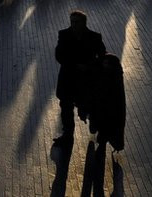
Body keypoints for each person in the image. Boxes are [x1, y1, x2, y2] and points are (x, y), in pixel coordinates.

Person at [54, 10, 106, 144]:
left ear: (84, 23)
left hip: (84, 81)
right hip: (69, 80)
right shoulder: (64, 35)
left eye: (76, 22)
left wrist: (89, 66)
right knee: (66, 109)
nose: (73, 25)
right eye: (72, 22)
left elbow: (102, 56)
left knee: (87, 105)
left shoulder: (94, 37)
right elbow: (59, 55)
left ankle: (91, 120)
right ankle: (67, 135)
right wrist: (79, 66)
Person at [89, 53, 126, 152]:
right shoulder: (115, 76)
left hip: (106, 107)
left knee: (104, 123)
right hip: (107, 107)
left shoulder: (104, 75)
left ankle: (102, 139)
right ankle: (104, 140)